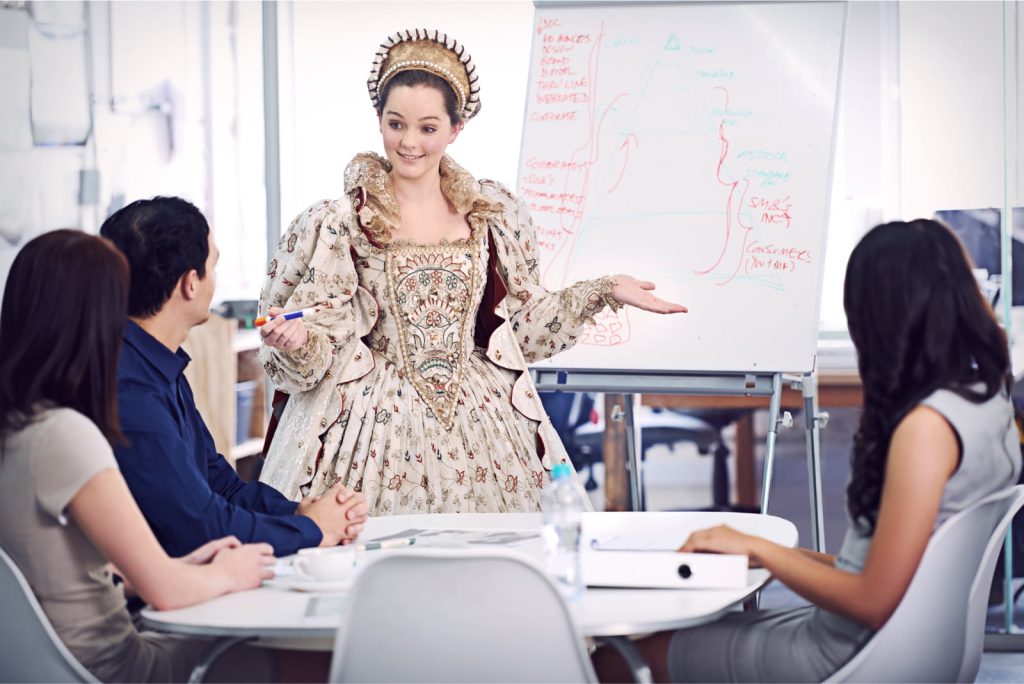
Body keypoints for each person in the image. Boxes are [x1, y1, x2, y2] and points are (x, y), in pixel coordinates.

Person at [257, 28, 687, 514]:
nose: (409, 142)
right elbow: (320, 328)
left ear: (455, 128)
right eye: (396, 124)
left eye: (427, 127)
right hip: (368, 425)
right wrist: (298, 341)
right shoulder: (340, 221)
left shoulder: (490, 213)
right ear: (379, 120)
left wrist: (604, 289)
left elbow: (526, 326)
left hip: (483, 417)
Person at [592, 218, 1023, 682]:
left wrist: (764, 550)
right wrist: (767, 552)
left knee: (612, 662)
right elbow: (884, 569)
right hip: (902, 645)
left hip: (845, 652)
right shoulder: (984, 400)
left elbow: (872, 599)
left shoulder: (926, 430)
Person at [0, 230, 276, 682]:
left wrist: (183, 566)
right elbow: (165, 593)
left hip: (48, 663)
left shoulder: (18, 428)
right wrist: (229, 572)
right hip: (116, 667)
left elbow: (58, 566)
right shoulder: (65, 435)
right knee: (282, 651)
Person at [99, 196, 368, 557]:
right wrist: (312, 530)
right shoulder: (130, 392)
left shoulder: (160, 365)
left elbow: (223, 488)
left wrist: (299, 512)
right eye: (213, 266)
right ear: (190, 283)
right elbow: (201, 527)